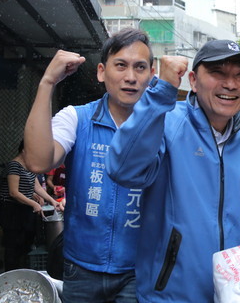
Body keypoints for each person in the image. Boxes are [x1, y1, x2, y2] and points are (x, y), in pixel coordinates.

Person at [106, 39, 240, 302]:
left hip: (231, 289)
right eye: (218, 72)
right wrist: (162, 91)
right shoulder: (168, 121)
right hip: (169, 292)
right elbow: (123, 169)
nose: (230, 84)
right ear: (194, 80)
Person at [23, 27, 155, 303]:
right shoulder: (76, 118)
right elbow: (37, 161)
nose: (130, 77)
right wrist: (47, 82)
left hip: (139, 269)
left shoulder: (163, 126)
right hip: (80, 267)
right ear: (101, 72)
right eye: (120, 65)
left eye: (140, 67)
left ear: (152, 75)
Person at [0, 140, 59, 271]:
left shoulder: (30, 166)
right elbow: (14, 192)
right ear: (24, 150)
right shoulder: (14, 165)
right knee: (12, 245)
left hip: (24, 208)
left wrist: (52, 201)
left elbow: (37, 187)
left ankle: (23, 271)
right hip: (11, 210)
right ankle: (10, 274)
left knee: (25, 243)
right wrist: (33, 203)